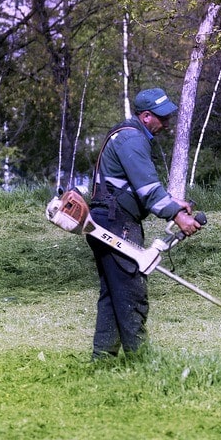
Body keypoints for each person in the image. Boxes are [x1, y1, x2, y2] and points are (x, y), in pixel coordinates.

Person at [86, 87, 201, 360]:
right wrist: (178, 216)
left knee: (113, 295)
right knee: (131, 293)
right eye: (162, 117)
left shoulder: (124, 135)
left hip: (106, 218)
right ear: (146, 116)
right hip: (117, 223)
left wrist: (173, 200)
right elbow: (148, 191)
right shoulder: (133, 140)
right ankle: (141, 362)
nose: (166, 123)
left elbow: (132, 185)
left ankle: (103, 360)